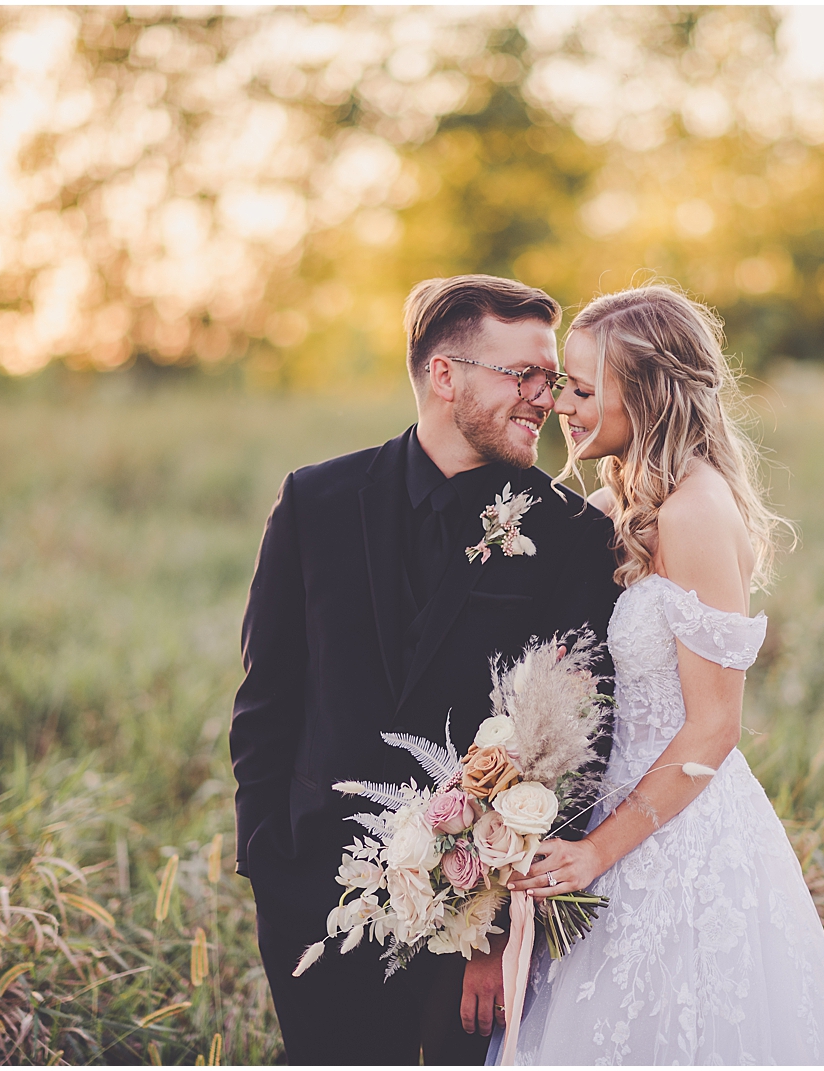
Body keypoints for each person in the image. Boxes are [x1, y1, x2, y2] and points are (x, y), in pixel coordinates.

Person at [489, 284, 824, 1065]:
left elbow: (715, 723)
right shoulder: (625, 498)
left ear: (642, 391)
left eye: (581, 386)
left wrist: (598, 852)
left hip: (675, 834)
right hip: (610, 814)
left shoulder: (695, 512)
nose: (562, 405)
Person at [230, 275, 623, 1065]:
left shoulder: (573, 534)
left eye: (549, 378)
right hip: (317, 897)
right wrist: (268, 862)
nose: (545, 398)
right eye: (524, 375)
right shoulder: (316, 501)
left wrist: (501, 930)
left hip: (469, 929)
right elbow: (265, 699)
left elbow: (582, 742)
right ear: (445, 375)